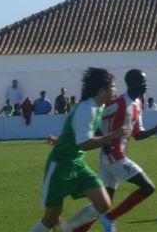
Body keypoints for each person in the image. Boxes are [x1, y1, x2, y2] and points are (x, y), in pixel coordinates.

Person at [63, 69, 157, 232]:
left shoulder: (138, 104)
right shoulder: (119, 103)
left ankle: (72, 229)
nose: (146, 84)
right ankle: (110, 217)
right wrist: (105, 143)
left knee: (102, 205)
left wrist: (155, 130)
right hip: (114, 157)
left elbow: (137, 134)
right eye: (142, 81)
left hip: (112, 158)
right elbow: (95, 118)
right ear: (132, 83)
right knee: (148, 187)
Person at [30, 67, 127, 232]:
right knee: (51, 217)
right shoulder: (86, 109)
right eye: (112, 86)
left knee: (103, 203)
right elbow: (85, 143)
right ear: (101, 89)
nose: (115, 90)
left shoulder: (98, 106)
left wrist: (60, 140)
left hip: (77, 164)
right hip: (60, 166)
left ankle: (67, 229)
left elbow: (77, 133)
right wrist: (113, 135)